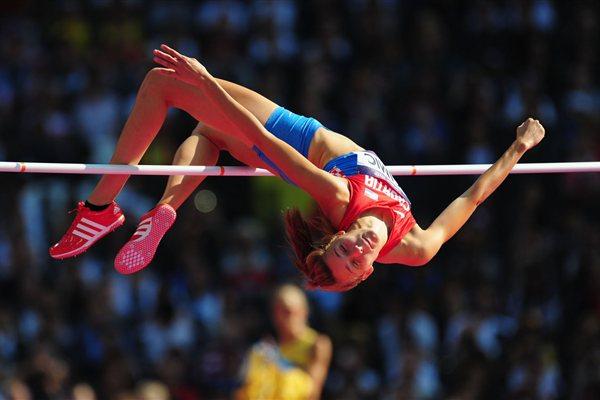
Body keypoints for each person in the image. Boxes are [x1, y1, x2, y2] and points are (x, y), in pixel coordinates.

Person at [49, 45, 546, 291]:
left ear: (334, 239)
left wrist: (205, 82)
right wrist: (518, 147)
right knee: (206, 136)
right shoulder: (415, 249)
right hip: (282, 147)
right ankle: (163, 209)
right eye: (356, 262)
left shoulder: (340, 198)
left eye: (343, 253)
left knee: (162, 84)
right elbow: (472, 197)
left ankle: (99, 206)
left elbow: (264, 139)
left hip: (294, 139)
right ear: (370, 271)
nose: (357, 250)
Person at [235, 284, 332, 400]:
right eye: (280, 311)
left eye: (290, 310)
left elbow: (312, 392)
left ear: (304, 311)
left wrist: (277, 363)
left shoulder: (317, 344)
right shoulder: (262, 349)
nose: (287, 317)